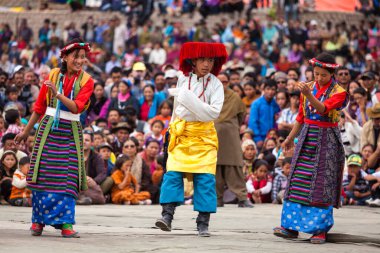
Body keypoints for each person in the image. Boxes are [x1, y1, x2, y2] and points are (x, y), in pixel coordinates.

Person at [14, 38, 94, 238]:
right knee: (43, 176)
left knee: (67, 178)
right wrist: (26, 131)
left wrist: (57, 94)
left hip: (71, 132)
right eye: (76, 57)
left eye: (83, 57)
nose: (80, 61)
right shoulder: (52, 75)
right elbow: (40, 107)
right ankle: (38, 221)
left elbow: (76, 107)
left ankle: (66, 223)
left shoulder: (87, 81)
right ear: (65, 57)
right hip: (48, 129)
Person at [273, 53, 349, 244]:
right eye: (316, 74)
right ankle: (290, 227)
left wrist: (308, 94)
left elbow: (323, 109)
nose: (318, 78)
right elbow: (301, 116)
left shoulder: (339, 92)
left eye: (323, 75)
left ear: (331, 74)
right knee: (297, 179)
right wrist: (290, 138)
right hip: (307, 137)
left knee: (321, 184)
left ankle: (319, 230)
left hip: (327, 140)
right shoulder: (309, 87)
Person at [155, 42, 227, 237]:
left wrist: (187, 98)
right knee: (172, 175)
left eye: (210, 60)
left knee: (205, 179)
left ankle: (203, 222)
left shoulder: (216, 84)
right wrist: (170, 131)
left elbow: (212, 113)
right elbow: (177, 109)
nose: (206, 64)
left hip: (204, 136)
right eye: (202, 59)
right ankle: (167, 216)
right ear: (193, 60)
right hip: (182, 133)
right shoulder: (182, 80)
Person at [215, 72, 253, 208]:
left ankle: (242, 198)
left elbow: (241, 115)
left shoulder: (235, 97)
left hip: (231, 136)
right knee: (215, 169)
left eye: (225, 82)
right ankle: (217, 199)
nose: (222, 84)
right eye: (219, 81)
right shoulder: (209, 96)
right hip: (214, 136)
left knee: (235, 167)